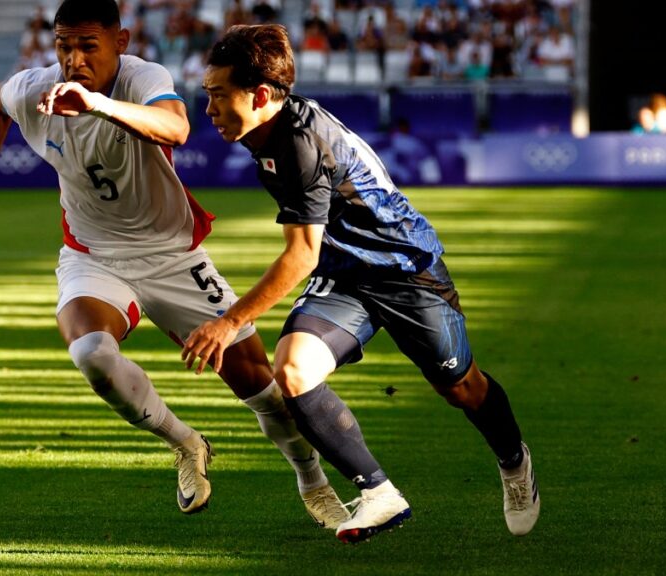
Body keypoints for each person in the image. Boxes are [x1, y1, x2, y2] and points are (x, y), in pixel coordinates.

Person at [0, 0, 351, 529]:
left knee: (259, 385)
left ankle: (313, 482)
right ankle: (186, 443)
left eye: (87, 46)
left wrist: (96, 104)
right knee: (92, 354)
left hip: (172, 254)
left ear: (119, 42)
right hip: (92, 255)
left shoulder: (144, 77)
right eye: (63, 45)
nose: (73, 59)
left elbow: (176, 127)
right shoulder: (36, 88)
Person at [185, 24, 540, 544]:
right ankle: (378, 494)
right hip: (346, 276)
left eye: (218, 95)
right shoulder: (266, 129)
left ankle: (514, 462)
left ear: (260, 95)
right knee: (293, 369)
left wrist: (230, 320)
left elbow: (301, 254)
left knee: (462, 388)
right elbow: (316, 251)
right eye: (207, 95)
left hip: (406, 270)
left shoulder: (300, 143)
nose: (209, 109)